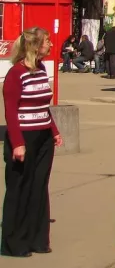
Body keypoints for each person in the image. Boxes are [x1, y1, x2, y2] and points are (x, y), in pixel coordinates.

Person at [1, 26, 63, 257]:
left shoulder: (40, 69)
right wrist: (17, 143)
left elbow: (43, 105)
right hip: (23, 137)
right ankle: (14, 243)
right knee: (20, 188)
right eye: (47, 41)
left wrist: (54, 131)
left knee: (39, 186)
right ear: (35, 46)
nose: (51, 45)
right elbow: (11, 111)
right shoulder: (16, 74)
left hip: (43, 137)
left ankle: (38, 239)